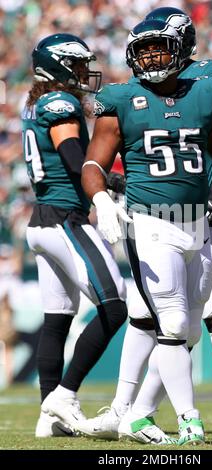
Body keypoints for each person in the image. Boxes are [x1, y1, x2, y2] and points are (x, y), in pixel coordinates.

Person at [81, 18, 212, 445]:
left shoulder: (208, 84)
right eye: (145, 49)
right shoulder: (121, 97)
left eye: (160, 47)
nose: (153, 56)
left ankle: (155, 412)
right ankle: (137, 411)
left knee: (195, 320)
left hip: (204, 215)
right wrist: (101, 198)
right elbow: (94, 161)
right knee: (155, 317)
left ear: (180, 44)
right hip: (153, 219)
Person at [22, 33, 128, 437]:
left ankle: (49, 417)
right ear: (61, 65)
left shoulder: (34, 103)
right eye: (79, 64)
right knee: (114, 306)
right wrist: (110, 186)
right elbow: (72, 156)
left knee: (57, 319)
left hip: (42, 221)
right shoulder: (60, 104)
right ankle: (63, 396)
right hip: (65, 219)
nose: (85, 72)